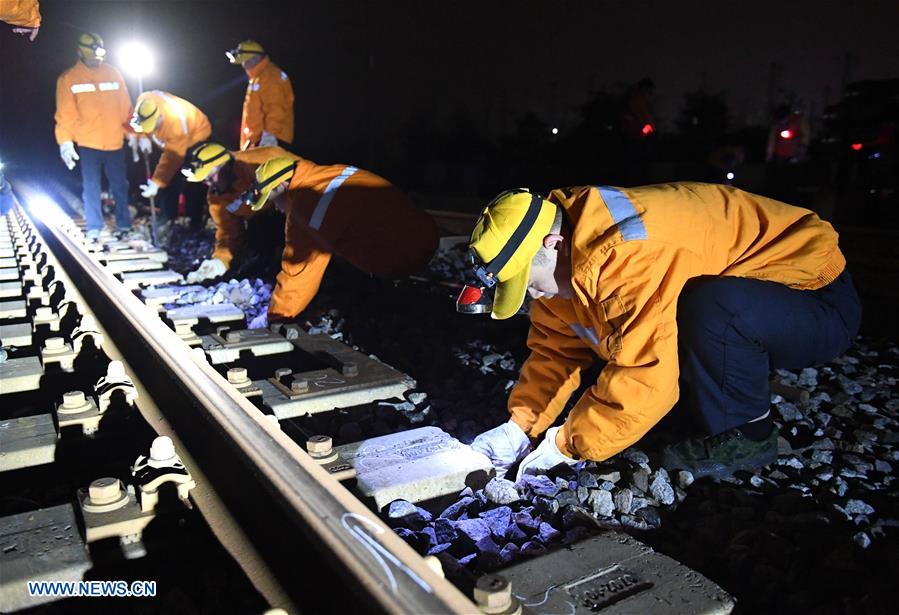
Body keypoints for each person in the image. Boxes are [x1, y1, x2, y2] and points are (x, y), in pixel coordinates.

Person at [461, 184, 861, 480]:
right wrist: (520, 426)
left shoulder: (628, 257)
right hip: (759, 299)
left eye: (526, 281)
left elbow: (647, 372)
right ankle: (719, 388)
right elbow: (555, 352)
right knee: (673, 317)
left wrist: (568, 445)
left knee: (710, 308)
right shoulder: (566, 254)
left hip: (814, 299)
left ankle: (749, 433)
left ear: (553, 243)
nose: (530, 294)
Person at [240, 156, 439, 328]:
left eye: (274, 199)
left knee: (322, 256)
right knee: (337, 243)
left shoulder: (307, 204)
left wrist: (276, 317)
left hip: (405, 255)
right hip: (425, 232)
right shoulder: (328, 173)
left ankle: (380, 298)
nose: (276, 208)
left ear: (282, 185)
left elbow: (299, 269)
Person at [55, 32, 138, 240]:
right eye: (92, 57)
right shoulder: (68, 79)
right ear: (80, 53)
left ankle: (124, 224)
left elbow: (125, 108)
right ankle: (94, 225)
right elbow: (65, 114)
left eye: (98, 57)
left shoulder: (113, 73)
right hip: (88, 142)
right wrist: (65, 142)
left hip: (114, 141)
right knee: (91, 186)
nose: (96, 61)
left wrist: (135, 135)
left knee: (120, 185)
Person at [180, 141, 299, 282]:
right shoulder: (217, 197)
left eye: (210, 178)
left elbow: (304, 177)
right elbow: (228, 234)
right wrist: (220, 261)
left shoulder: (259, 160)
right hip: (267, 222)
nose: (209, 185)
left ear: (225, 166)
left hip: (299, 210)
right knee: (257, 233)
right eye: (205, 182)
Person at [130, 90, 212, 231]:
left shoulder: (176, 124)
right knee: (167, 178)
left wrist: (156, 184)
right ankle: (168, 218)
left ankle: (194, 222)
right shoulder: (145, 100)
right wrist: (141, 136)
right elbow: (141, 118)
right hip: (169, 141)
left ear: (160, 117)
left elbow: (172, 159)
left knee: (191, 178)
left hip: (195, 137)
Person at [226, 40, 295, 150]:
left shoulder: (270, 75)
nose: (244, 65)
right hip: (258, 141)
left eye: (245, 61)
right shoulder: (258, 78)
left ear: (255, 58)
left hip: (271, 141)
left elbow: (276, 107)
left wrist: (270, 136)